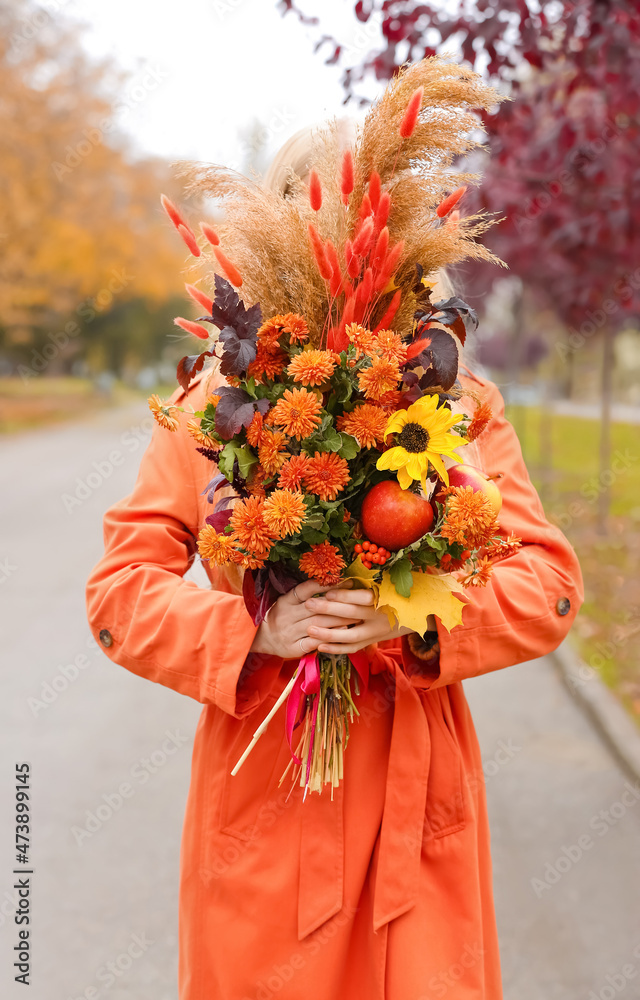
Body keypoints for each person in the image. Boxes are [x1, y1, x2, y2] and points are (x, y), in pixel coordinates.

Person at [86, 125, 584, 998]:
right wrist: (256, 629)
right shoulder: (214, 409)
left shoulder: (459, 405)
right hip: (268, 793)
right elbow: (119, 594)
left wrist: (416, 613)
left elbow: (546, 585)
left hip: (416, 815)